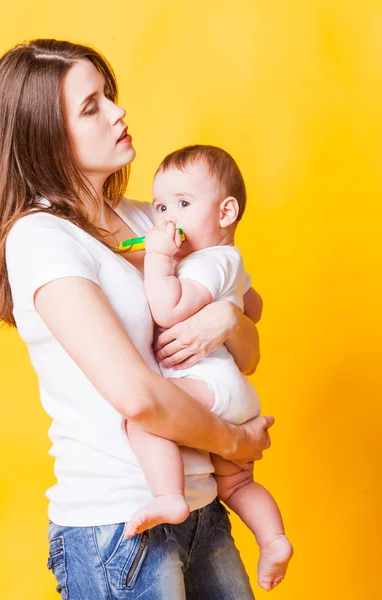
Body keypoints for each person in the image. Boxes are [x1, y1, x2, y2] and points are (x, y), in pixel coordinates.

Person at [0, 39, 274, 599]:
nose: (118, 112)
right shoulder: (40, 238)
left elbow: (248, 347)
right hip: (119, 526)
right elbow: (138, 398)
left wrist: (225, 316)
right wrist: (234, 442)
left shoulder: (149, 216)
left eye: (110, 95)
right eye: (91, 106)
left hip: (203, 510)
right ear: (47, 135)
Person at [125, 145, 293, 591]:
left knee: (144, 421)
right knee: (236, 483)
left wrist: (160, 258)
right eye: (160, 206)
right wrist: (232, 304)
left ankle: (169, 497)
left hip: (210, 383)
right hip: (230, 390)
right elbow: (254, 306)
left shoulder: (209, 261)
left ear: (226, 211)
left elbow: (168, 307)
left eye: (182, 204)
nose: (167, 218)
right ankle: (273, 539)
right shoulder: (229, 261)